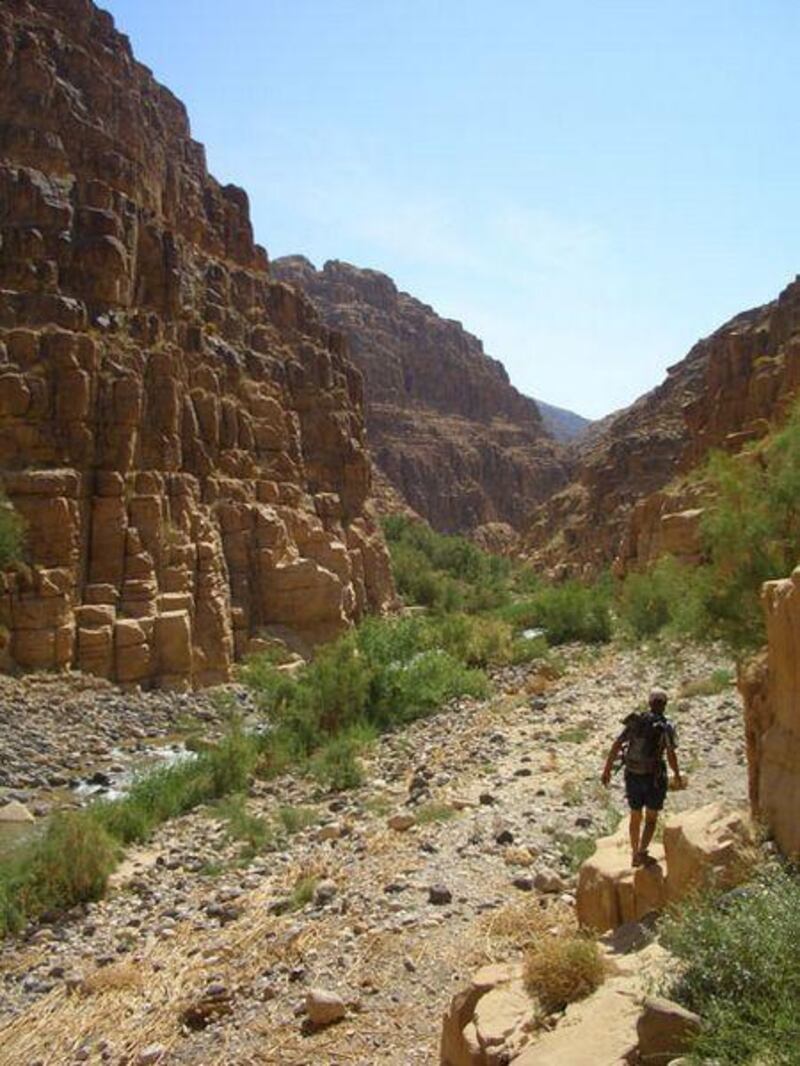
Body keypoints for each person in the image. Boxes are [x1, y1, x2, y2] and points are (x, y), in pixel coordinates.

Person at [601, 687, 683, 867]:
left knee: (635, 815)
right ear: (665, 705)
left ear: (649, 703)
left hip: (632, 775)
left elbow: (617, 744)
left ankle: (634, 852)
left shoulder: (636, 721)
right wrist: (676, 774)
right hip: (654, 776)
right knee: (651, 818)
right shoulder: (666, 726)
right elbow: (670, 753)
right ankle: (641, 852)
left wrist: (607, 770)